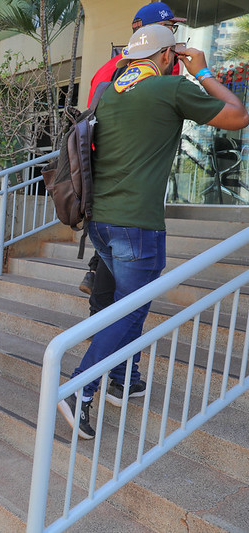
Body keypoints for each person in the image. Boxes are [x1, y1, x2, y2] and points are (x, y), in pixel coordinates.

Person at [58, 26, 249, 440]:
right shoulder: (173, 88)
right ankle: (79, 389)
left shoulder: (109, 91)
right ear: (167, 56)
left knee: (123, 308)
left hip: (101, 224)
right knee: (130, 311)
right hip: (137, 227)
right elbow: (238, 115)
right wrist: (203, 72)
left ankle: (125, 380)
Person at [80, 2, 187, 306]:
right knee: (126, 301)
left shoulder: (118, 67)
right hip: (126, 188)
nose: (172, 37)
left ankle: (100, 330)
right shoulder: (143, 70)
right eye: (168, 28)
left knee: (112, 277)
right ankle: (102, 340)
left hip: (111, 185)